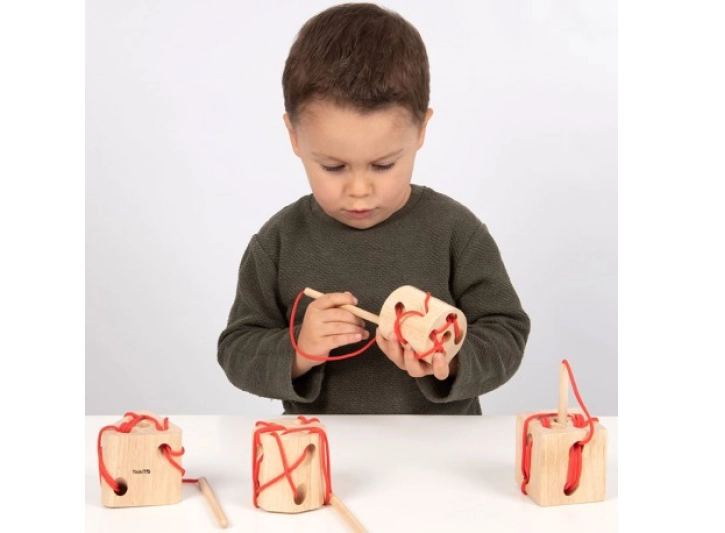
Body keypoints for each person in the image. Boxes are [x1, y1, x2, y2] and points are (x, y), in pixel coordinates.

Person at [216, 3, 530, 415]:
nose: (359, 191)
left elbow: (506, 331)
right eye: (333, 166)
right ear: (294, 137)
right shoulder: (278, 241)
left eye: (383, 165)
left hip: (442, 455)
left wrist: (450, 360)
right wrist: (299, 349)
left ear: (422, 130)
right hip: (320, 457)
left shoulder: (456, 232)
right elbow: (237, 349)